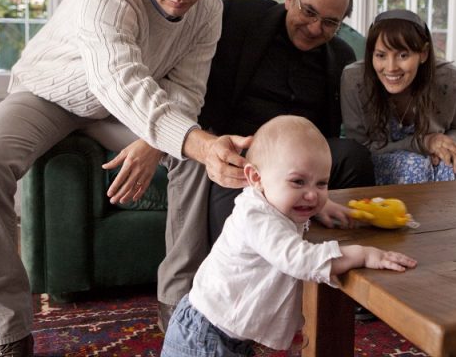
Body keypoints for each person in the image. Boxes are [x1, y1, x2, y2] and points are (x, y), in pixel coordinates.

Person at [0, 0, 249, 357]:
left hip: (124, 110)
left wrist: (155, 142)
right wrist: (188, 138)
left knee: (193, 162)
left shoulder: (208, 10)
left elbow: (187, 90)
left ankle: (178, 302)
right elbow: (119, 80)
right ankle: (7, 332)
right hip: (50, 94)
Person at [154, 0, 376, 330]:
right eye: (308, 12)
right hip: (242, 156)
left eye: (330, 22)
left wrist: (311, 188)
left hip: (300, 161)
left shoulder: (339, 55)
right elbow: (188, 70)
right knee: (237, 215)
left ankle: (344, 283)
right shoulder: (239, 14)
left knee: (354, 156)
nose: (315, 28)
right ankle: (230, 308)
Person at [161, 115, 417, 356]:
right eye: (298, 182)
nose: (312, 194)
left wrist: (321, 206)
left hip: (223, 335)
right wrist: (362, 254)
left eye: (321, 183)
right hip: (203, 338)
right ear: (255, 177)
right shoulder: (255, 216)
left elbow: (291, 204)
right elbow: (300, 259)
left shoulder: (272, 200)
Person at [340, 9, 456, 185]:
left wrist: (445, 147)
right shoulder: (354, 80)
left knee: (451, 168)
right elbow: (360, 147)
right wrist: (424, 143)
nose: (391, 68)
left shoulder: (449, 79)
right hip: (383, 156)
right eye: (381, 55)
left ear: (423, 53)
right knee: (415, 167)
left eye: (403, 55)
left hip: (440, 155)